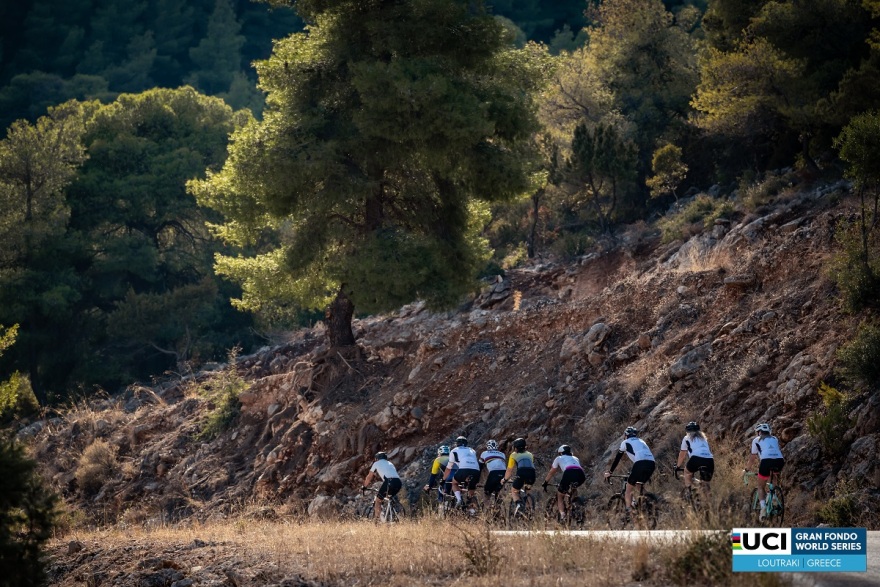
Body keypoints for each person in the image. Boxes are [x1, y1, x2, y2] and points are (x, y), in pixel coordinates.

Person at [604, 426, 655, 514]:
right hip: (651, 464)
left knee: (628, 488)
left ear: (626, 435)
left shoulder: (625, 442)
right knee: (639, 485)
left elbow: (617, 458)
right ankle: (649, 502)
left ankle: (629, 512)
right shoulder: (641, 441)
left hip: (640, 463)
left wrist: (610, 472)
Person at [744, 422, 785, 520]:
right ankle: (773, 496)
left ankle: (763, 508)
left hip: (766, 461)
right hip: (780, 461)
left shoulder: (756, 440)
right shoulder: (775, 438)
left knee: (760, 486)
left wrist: (746, 469)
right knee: (773, 475)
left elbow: (752, 458)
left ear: (759, 432)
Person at [542, 444, 586, 521]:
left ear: (561, 452)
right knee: (573, 487)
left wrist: (545, 482)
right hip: (581, 474)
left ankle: (563, 516)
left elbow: (552, 472)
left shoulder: (559, 458)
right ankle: (575, 505)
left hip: (569, 473)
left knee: (560, 495)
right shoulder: (576, 458)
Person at [676, 421, 714, 495]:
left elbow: (682, 454)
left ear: (687, 431)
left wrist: (678, 466)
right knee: (705, 483)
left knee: (687, 472)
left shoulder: (686, 438)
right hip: (709, 460)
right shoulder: (704, 438)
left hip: (696, 458)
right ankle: (708, 499)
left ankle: (689, 493)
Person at [362, 451, 402, 519]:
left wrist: (364, 486)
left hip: (389, 481)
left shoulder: (376, 463)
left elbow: (369, 476)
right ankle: (395, 514)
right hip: (398, 482)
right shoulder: (390, 463)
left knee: (378, 500)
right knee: (389, 498)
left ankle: (378, 520)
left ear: (377, 458)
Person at [445, 436, 480, 508]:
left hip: (463, 469)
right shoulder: (472, 450)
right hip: (476, 470)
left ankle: (459, 499)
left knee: (454, 483)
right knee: (471, 489)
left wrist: (443, 479)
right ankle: (472, 510)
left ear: (457, 443)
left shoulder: (454, 450)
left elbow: (449, 467)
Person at [502, 437, 536, 505]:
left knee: (514, 491)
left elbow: (509, 470)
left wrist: (505, 479)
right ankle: (530, 509)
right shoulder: (530, 454)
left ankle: (519, 506)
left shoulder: (513, 455)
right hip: (532, 474)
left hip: (521, 473)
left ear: (515, 448)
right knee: (527, 491)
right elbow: (529, 466)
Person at [479, 439, 507, 506]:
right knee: (498, 490)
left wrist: (477, 479)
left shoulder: (484, 453)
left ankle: (488, 509)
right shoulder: (502, 454)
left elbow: (480, 467)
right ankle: (498, 507)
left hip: (494, 473)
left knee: (487, 492)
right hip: (504, 473)